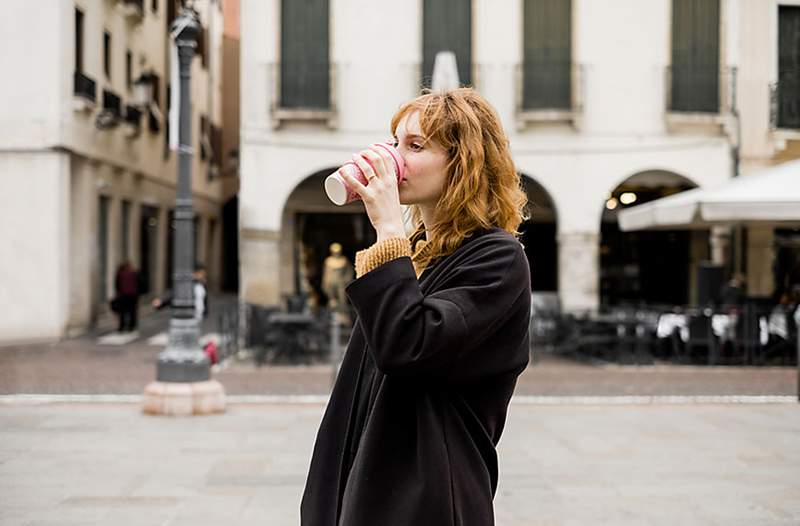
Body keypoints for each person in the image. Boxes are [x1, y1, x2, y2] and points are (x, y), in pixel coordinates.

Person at [301, 88, 531, 526]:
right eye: (396, 142)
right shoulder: (417, 254)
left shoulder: (498, 259)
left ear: (464, 162)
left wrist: (388, 228)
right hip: (370, 487)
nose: (395, 157)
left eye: (416, 145)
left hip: (428, 500)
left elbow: (407, 346)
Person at [114, 261, 140, 332]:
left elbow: (117, 285)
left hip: (123, 295)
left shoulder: (120, 273)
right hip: (133, 295)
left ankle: (122, 326)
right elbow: (138, 283)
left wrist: (118, 294)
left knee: (122, 312)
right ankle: (131, 326)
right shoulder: (134, 273)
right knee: (132, 311)